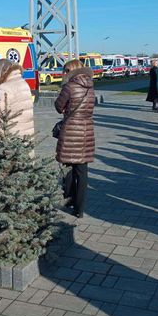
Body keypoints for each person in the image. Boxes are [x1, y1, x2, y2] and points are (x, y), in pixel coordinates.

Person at [55, 59, 96, 217]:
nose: (63, 73)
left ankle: (69, 198)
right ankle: (79, 209)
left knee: (68, 165)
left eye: (65, 71)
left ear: (71, 71)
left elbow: (59, 106)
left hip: (71, 130)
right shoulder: (91, 87)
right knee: (82, 170)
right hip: (86, 131)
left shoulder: (69, 86)